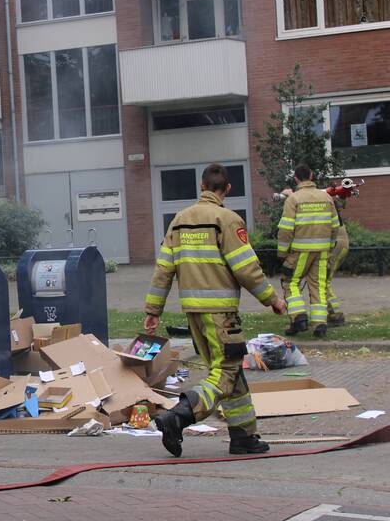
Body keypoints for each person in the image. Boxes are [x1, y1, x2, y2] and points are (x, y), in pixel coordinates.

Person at [145, 164, 286, 457]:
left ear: (201, 186)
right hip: (221, 315)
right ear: (228, 189)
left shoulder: (179, 221)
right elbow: (246, 268)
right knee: (225, 372)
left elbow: (163, 269)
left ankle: (244, 438)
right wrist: (272, 299)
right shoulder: (227, 219)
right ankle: (179, 416)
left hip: (193, 314)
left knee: (231, 374)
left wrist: (153, 309)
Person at [278, 164, 338, 339]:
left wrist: (282, 253)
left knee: (291, 282)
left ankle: (299, 317)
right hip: (322, 252)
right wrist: (330, 247)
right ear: (311, 176)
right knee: (318, 286)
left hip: (299, 251)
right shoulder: (326, 197)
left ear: (296, 178)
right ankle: (320, 325)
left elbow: (286, 229)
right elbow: (335, 226)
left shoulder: (293, 199)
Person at [325, 196, 349, 327]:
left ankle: (335, 315)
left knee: (324, 281)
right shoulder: (332, 210)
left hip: (337, 247)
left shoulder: (327, 210)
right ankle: (334, 313)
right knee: (325, 281)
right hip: (341, 246)